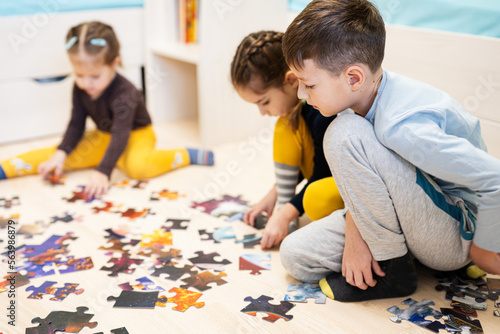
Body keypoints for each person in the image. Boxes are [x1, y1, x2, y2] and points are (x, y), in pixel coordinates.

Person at [280, 0, 500, 302]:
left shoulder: (403, 126)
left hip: (453, 234)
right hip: (407, 214)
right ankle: (400, 254)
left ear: (354, 77)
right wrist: (356, 234)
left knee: (343, 133)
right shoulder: (362, 94)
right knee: (295, 255)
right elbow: (378, 179)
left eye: (309, 84)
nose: (302, 95)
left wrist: (485, 247)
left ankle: (393, 269)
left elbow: (494, 178)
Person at [0, 21, 214, 198]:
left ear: (114, 64)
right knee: (60, 156)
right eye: (80, 75)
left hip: (136, 135)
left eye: (94, 76)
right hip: (104, 136)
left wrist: (103, 171)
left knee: (138, 167)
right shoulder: (80, 88)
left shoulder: (125, 93)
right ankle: (6, 168)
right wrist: (61, 153)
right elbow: (76, 124)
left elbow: (121, 133)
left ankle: (185, 154)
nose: (86, 83)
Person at [230, 30, 344, 249]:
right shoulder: (300, 111)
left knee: (316, 197)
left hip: (347, 189)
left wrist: (284, 214)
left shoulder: (324, 112)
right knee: (284, 124)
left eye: (264, 102)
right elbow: (310, 163)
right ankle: (284, 201)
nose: (263, 112)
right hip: (323, 177)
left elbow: (322, 174)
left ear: (291, 80)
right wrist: (275, 194)